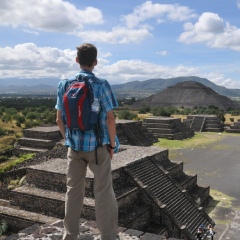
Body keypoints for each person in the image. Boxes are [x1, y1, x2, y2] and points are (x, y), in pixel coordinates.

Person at [55, 43, 119, 240]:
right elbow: (110, 119)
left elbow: (59, 119)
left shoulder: (64, 84)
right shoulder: (101, 84)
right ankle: (108, 236)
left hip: (74, 147)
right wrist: (112, 144)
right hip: (98, 147)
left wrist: (68, 140)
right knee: (103, 192)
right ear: (95, 62)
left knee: (73, 191)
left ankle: (70, 235)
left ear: (77, 60)